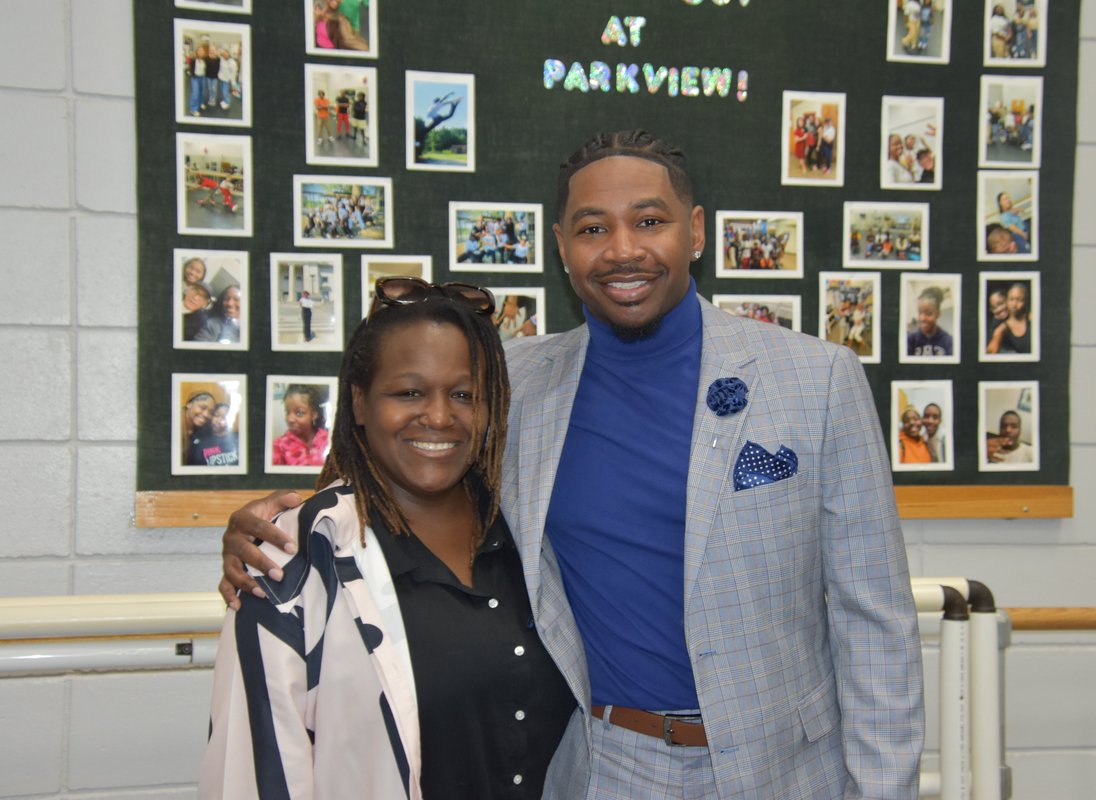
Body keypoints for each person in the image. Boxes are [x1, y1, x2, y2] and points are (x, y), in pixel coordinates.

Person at [220, 130, 923, 798]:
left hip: (788, 770)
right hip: (607, 767)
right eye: (593, 229)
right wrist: (287, 519)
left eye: (649, 222)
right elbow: (413, 453)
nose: (623, 250)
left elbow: (876, 621)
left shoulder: (819, 378)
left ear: (697, 230)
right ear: (562, 247)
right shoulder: (515, 383)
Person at [201, 279, 574, 797]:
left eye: (464, 394)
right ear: (358, 401)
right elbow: (250, 769)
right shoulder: (300, 557)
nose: (440, 416)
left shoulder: (534, 535)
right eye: (409, 392)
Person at [271, 384, 330, 467]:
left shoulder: (329, 440)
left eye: (299, 413)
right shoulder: (279, 446)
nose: (290, 419)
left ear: (314, 415)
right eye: (287, 412)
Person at [186, 402, 239, 467]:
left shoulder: (238, 439)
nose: (218, 421)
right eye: (216, 415)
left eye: (224, 417)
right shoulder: (201, 442)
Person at [987, 281, 1032, 354]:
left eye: (1020, 300)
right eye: (1011, 299)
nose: (1014, 305)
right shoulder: (1001, 329)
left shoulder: (1031, 317)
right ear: (1007, 300)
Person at [907, 285, 953, 357]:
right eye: (920, 313)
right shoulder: (910, 339)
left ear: (938, 314)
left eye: (928, 313)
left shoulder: (948, 341)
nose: (922, 318)